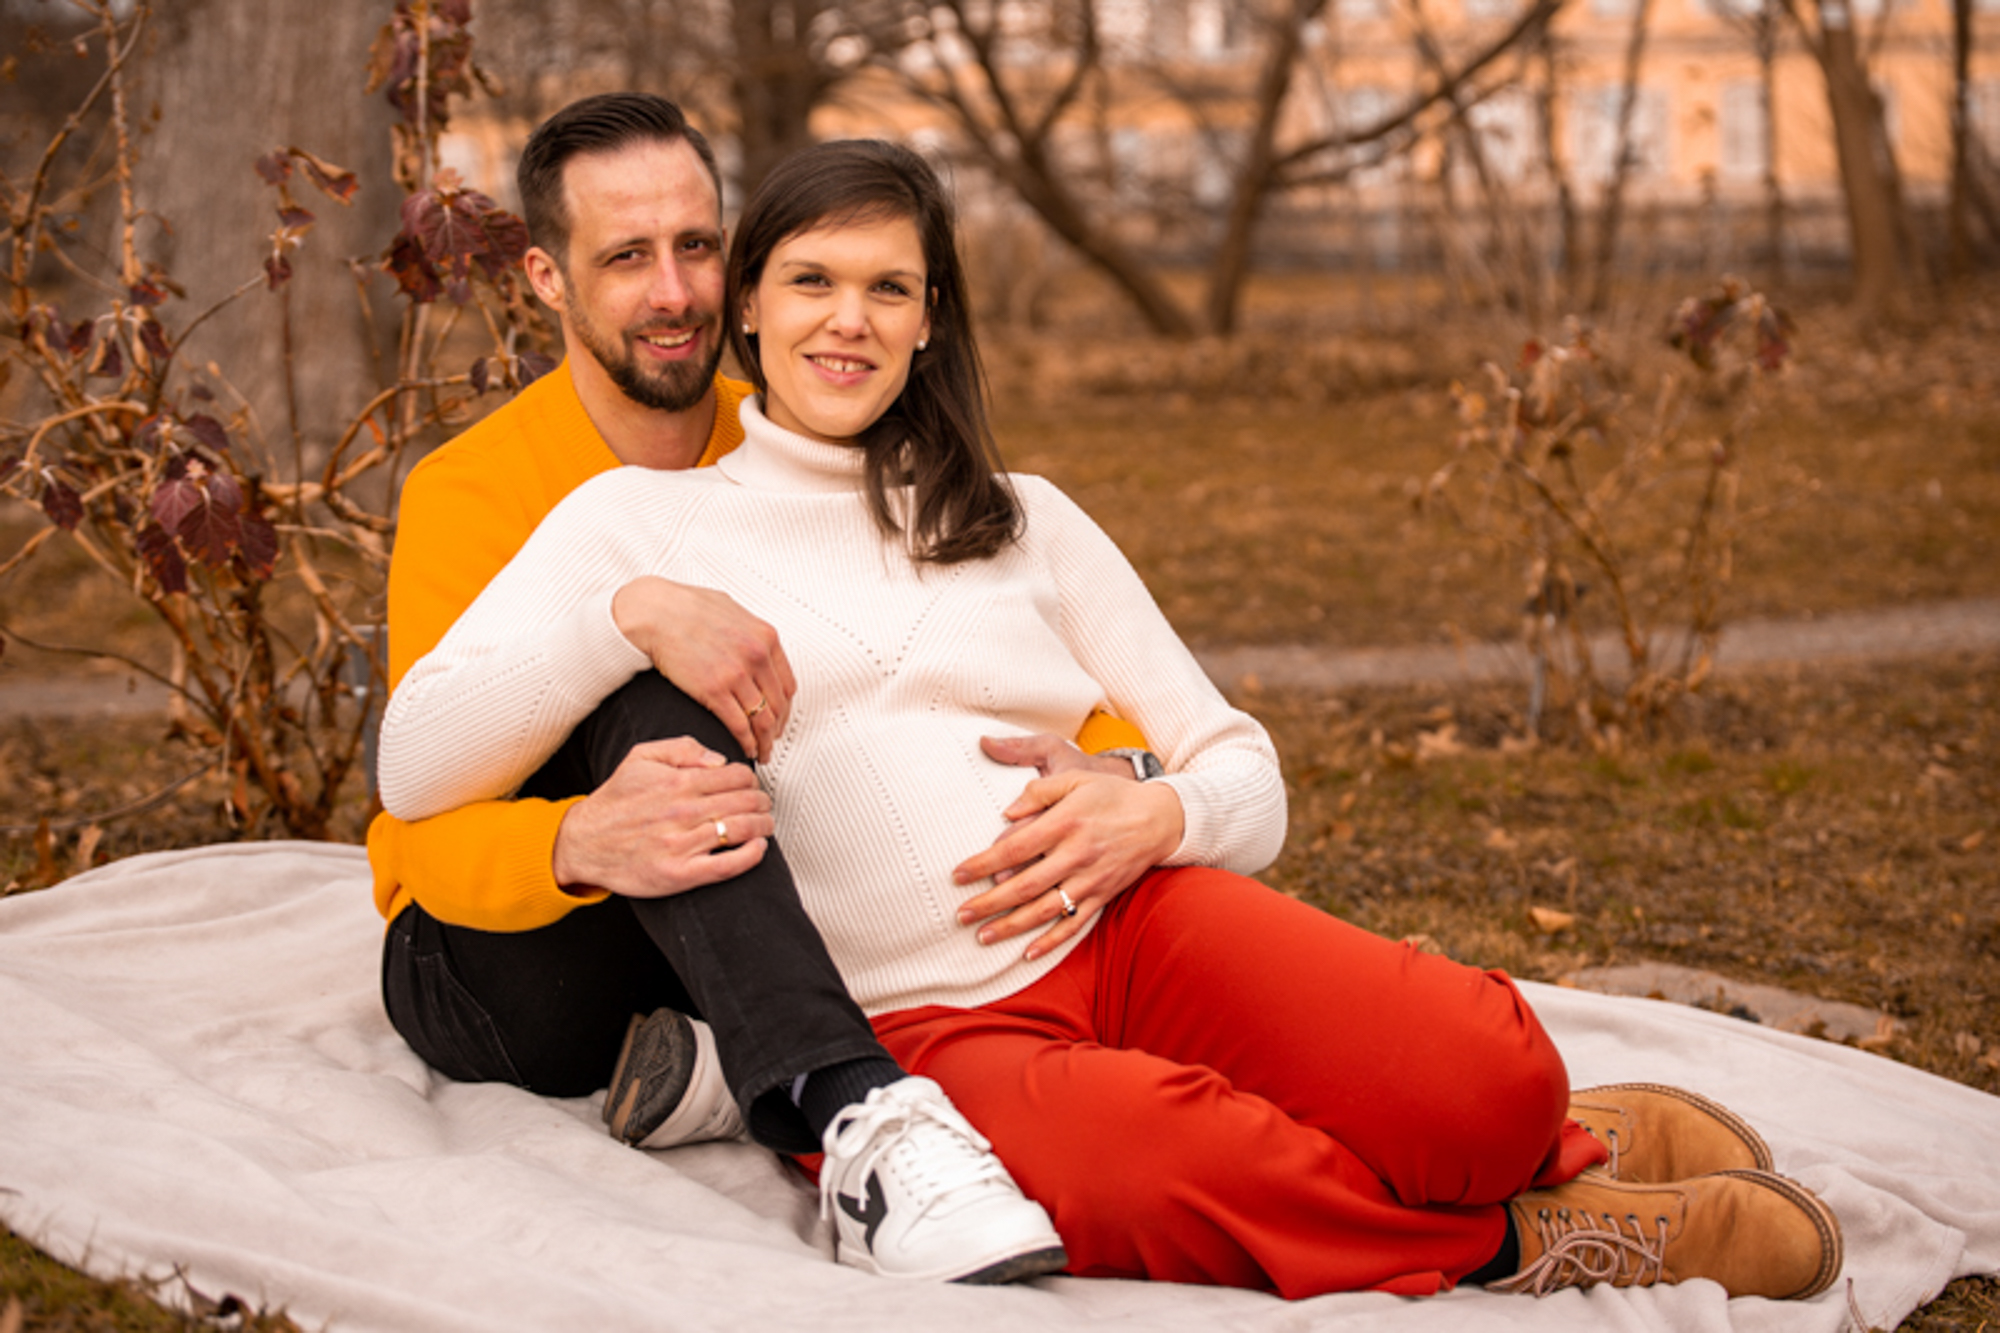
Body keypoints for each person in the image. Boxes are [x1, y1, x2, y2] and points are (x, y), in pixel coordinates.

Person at [376, 138, 1843, 1301]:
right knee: (1173, 1176)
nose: (848, 320)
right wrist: (616, 615)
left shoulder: (1024, 518)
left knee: (1485, 1072)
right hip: (927, 1026)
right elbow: (414, 760)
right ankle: (1538, 1241)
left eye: (889, 287)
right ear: (751, 303)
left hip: (1133, 932)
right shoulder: (630, 521)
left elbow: (1240, 766)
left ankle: (1558, 1135)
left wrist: (1164, 810)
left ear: (930, 318)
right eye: (812, 280)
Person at [368, 93, 1177, 1285]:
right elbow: (410, 831)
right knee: (660, 701)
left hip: (747, 906)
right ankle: (850, 1103)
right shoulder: (470, 493)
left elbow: (971, 651)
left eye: (697, 247)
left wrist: (1120, 770)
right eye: (626, 257)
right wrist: (577, 842)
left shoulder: (803, 432)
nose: (675, 293)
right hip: (518, 957)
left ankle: (719, 1064)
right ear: (545, 277)